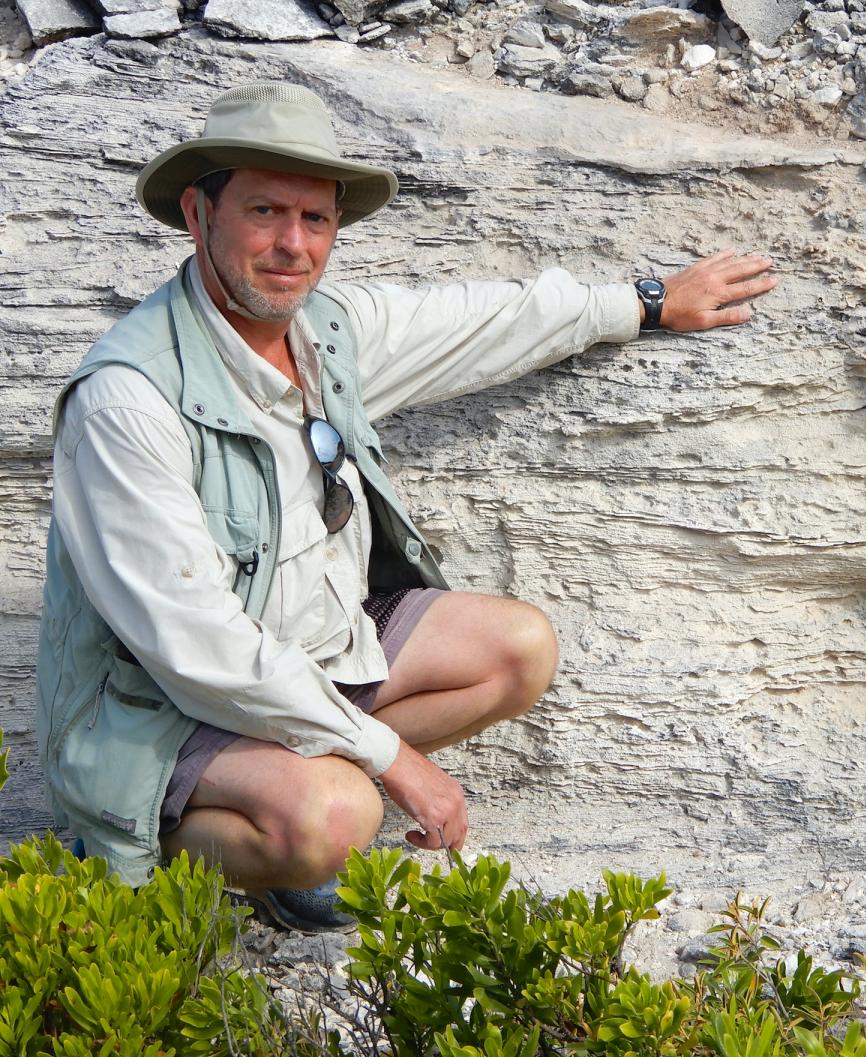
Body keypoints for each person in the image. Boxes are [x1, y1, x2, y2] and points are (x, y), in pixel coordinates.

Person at [36, 81, 776, 931]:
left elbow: (480, 320)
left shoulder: (328, 332)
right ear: (200, 216)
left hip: (309, 654)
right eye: (265, 210)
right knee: (338, 814)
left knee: (516, 650)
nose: (292, 245)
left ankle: (306, 774)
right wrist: (391, 761)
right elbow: (192, 644)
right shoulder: (128, 401)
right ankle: (196, 853)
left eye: (316, 220)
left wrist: (643, 305)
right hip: (162, 716)